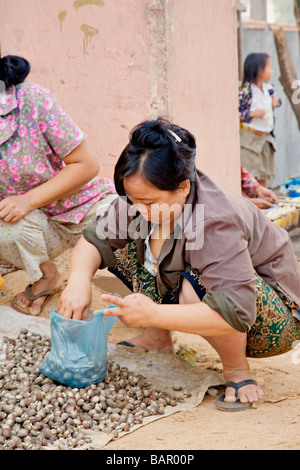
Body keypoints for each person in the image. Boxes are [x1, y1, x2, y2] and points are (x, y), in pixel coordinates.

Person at [58, 118, 300, 411]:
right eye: (133, 199)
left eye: (148, 203)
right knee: (126, 243)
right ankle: (157, 340)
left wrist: (153, 313)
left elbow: (235, 308)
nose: (139, 210)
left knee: (193, 282)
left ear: (183, 187)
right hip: (230, 300)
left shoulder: (213, 221)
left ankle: (237, 370)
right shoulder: (141, 200)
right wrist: (78, 279)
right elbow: (94, 241)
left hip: (272, 317)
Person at [0, 55, 116, 315]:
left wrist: (27, 200)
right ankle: (47, 276)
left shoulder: (32, 99)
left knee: (138, 225)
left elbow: (86, 165)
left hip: (83, 206)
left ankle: (156, 324)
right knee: (5, 232)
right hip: (31, 224)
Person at [239, 53, 281, 187]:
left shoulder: (269, 89)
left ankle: (264, 200)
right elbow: (236, 113)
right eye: (269, 67)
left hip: (266, 139)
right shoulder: (246, 91)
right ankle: (253, 203)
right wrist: (252, 114)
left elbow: (277, 100)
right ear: (260, 71)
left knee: (264, 173)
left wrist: (277, 102)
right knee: (252, 173)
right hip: (250, 139)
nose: (272, 71)